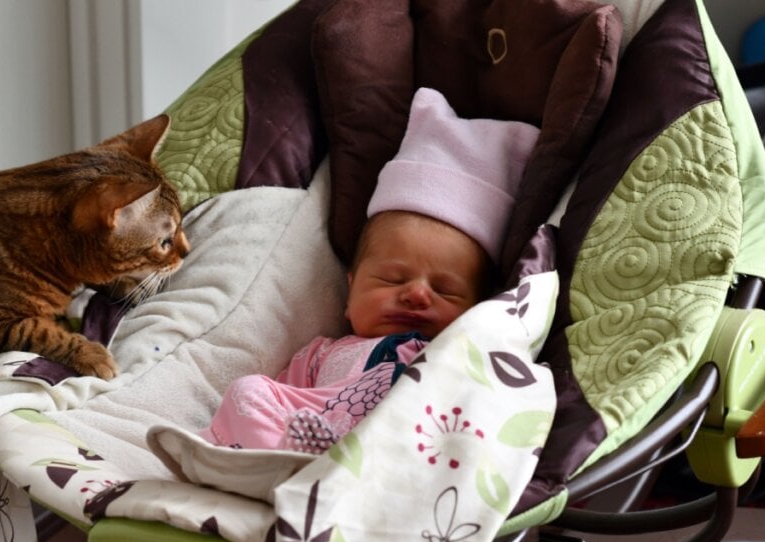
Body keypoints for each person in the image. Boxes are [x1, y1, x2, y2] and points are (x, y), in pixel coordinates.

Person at [198, 87, 540, 453]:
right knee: (248, 390)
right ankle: (287, 456)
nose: (417, 293)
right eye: (393, 279)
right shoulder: (318, 355)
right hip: (309, 432)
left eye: (445, 290)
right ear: (350, 292)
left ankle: (314, 460)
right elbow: (283, 400)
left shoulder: (453, 356)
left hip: (401, 443)